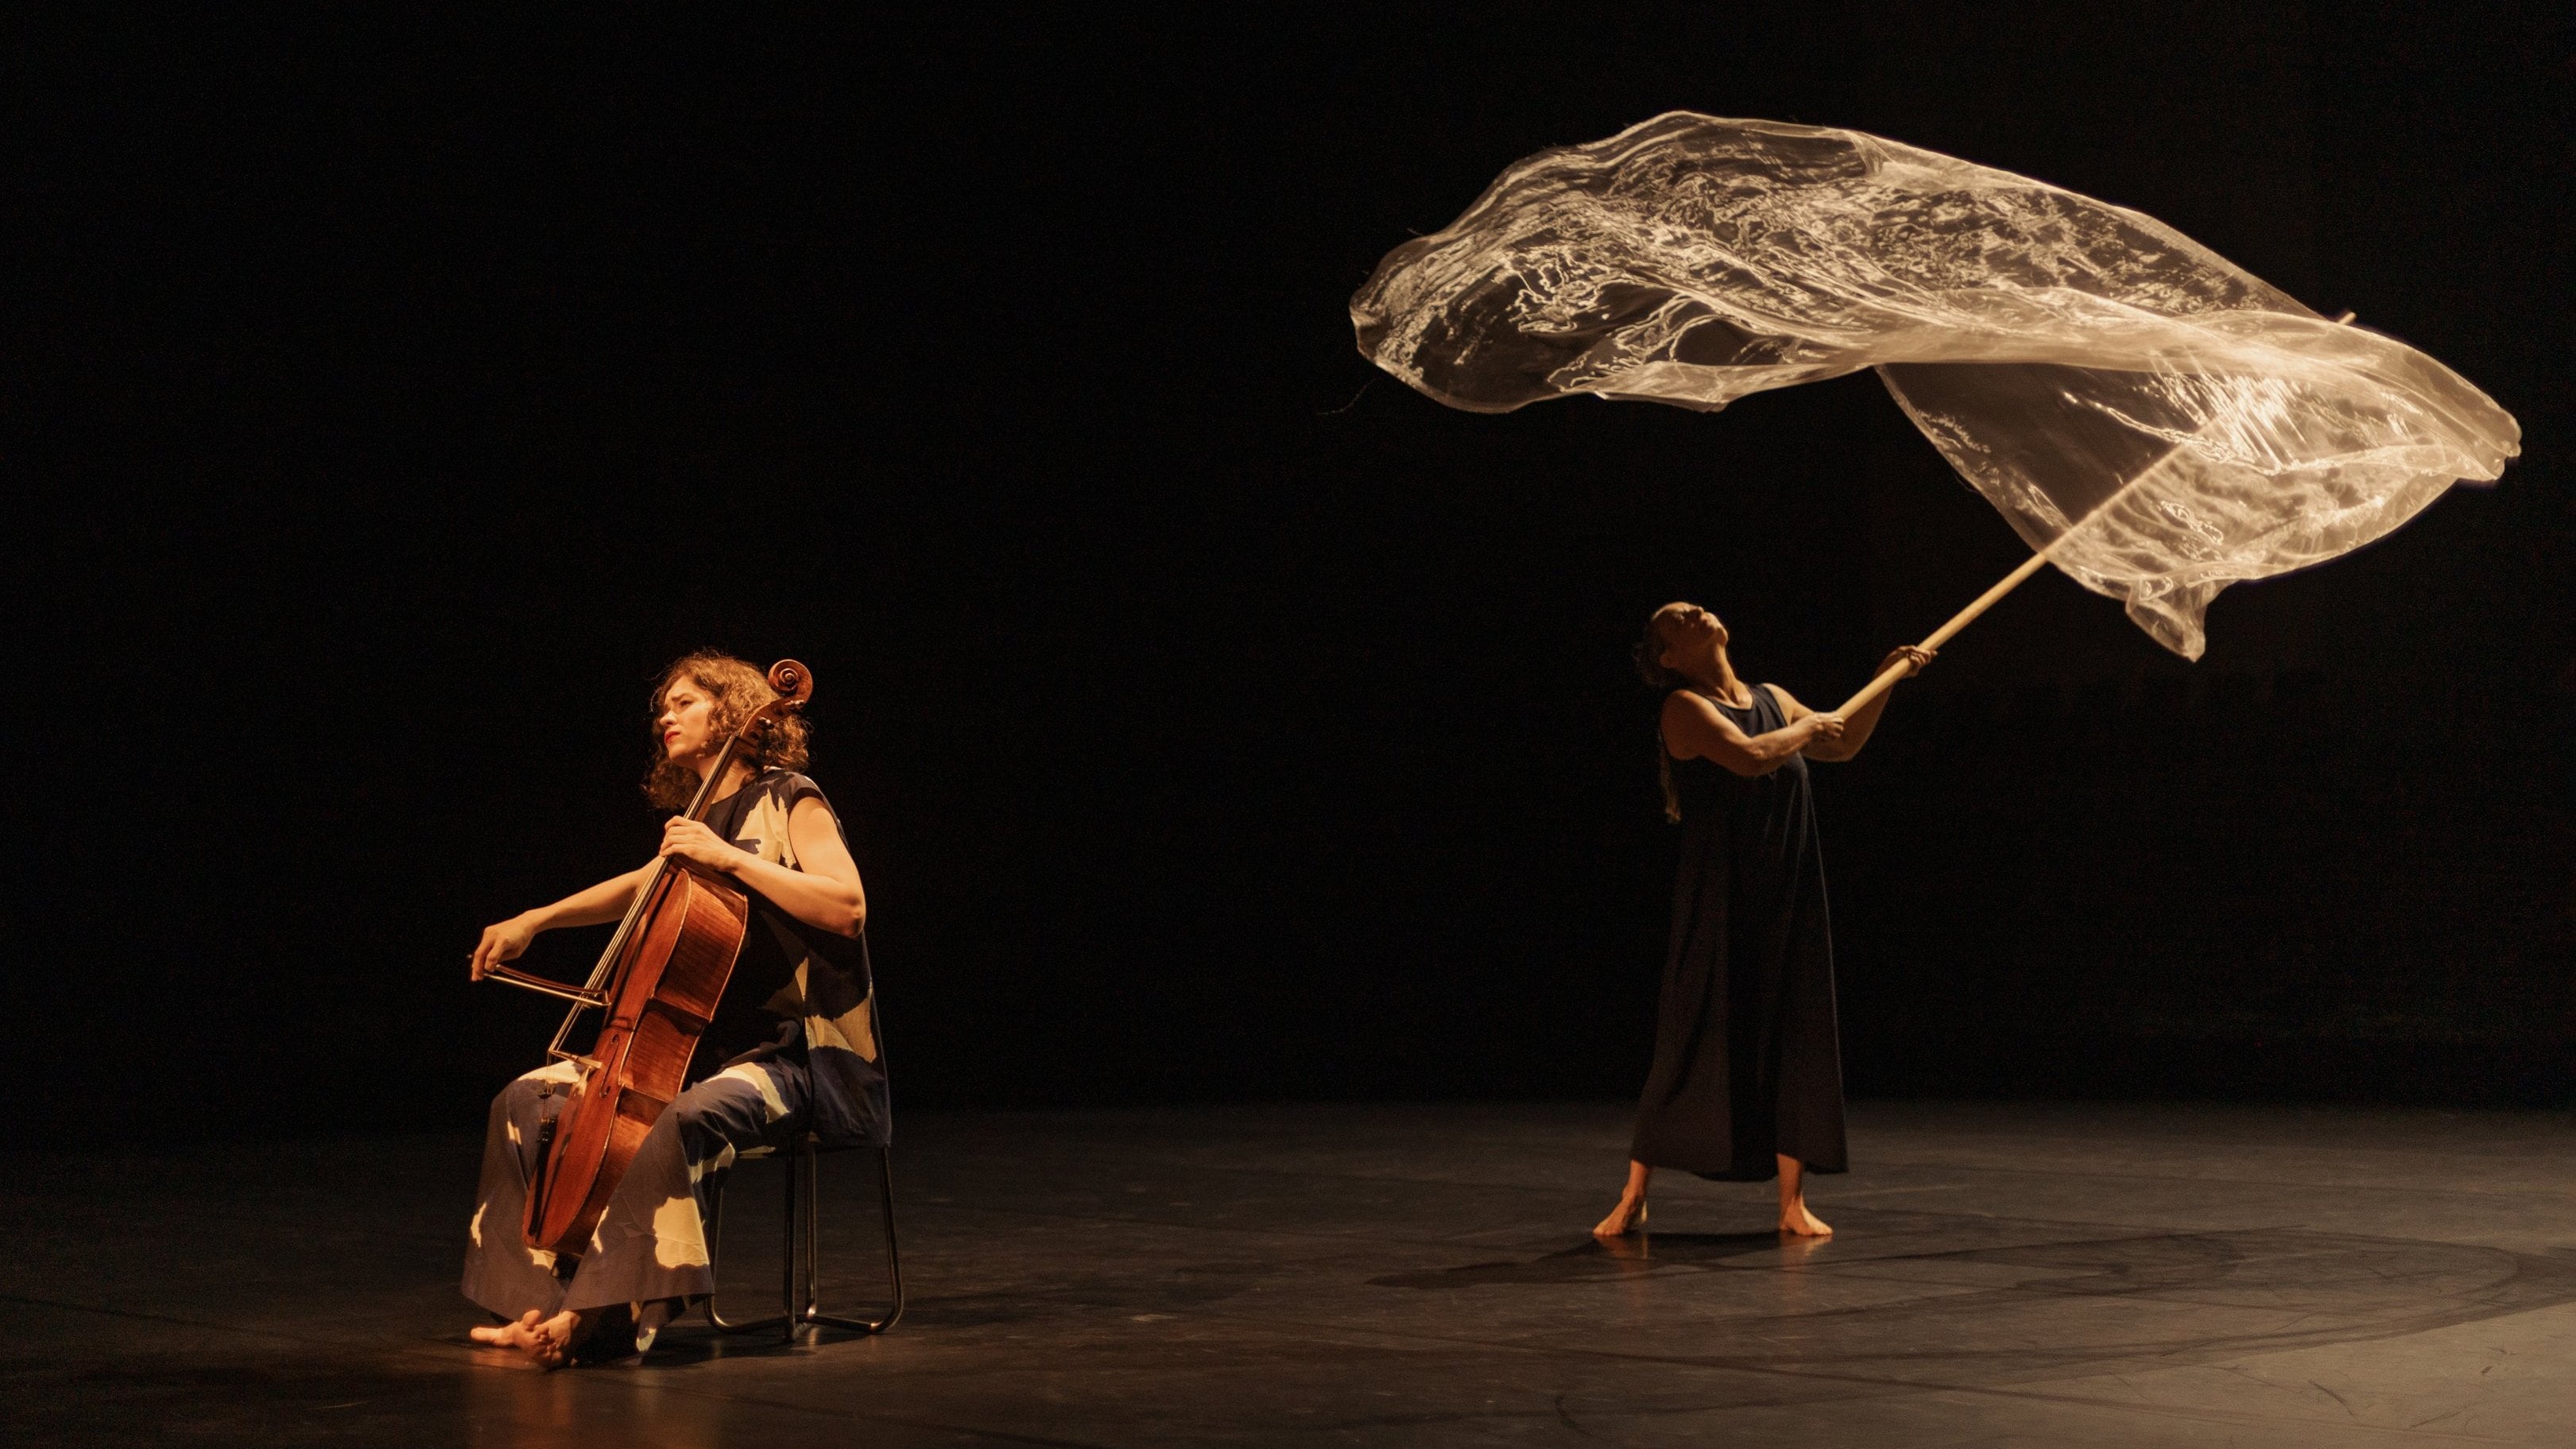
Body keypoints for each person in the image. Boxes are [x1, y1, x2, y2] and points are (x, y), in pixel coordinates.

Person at [461, 653, 884, 1366]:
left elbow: (848, 907)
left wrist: (730, 859)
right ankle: (530, 1308)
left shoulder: (790, 797)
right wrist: (534, 918)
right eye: (665, 705)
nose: (665, 715)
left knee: (682, 1120)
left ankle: (593, 1320)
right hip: (694, 1056)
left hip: (794, 1059)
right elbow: (639, 884)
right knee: (524, 1102)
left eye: (685, 702)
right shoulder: (696, 820)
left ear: (732, 712)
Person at [1594, 603, 1928, 1240]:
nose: (1696, 609)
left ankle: (1790, 1202)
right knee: (1688, 1034)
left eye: (1694, 605)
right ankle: (1635, 1193)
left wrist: (1886, 680)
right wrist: (1810, 728)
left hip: (1789, 886)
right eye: (1679, 617)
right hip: (1720, 893)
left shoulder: (1773, 696)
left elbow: (1845, 742)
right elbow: (1750, 757)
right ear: (1669, 656)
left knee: (1794, 1035)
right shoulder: (1683, 708)